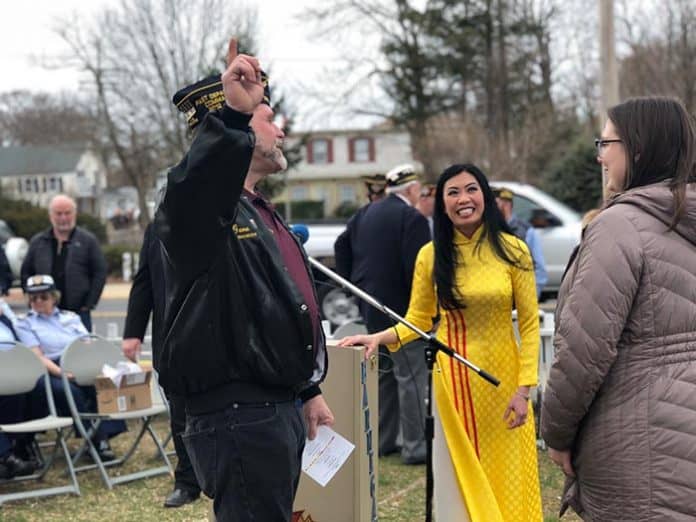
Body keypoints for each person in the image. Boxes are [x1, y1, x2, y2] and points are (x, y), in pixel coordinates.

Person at [153, 38, 333, 521]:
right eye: (267, 118)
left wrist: (307, 390)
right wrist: (232, 118)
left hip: (274, 408)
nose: (280, 131)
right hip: (240, 416)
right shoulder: (204, 213)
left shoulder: (256, 211)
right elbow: (192, 187)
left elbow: (269, 309)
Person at [339, 163, 543, 521]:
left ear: (485, 197)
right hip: (452, 386)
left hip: (505, 385)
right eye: (453, 192)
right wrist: (377, 337)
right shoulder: (430, 256)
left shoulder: (514, 251)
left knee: (506, 476)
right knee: (456, 487)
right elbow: (418, 321)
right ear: (441, 204)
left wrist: (524, 390)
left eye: (471, 189)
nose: (463, 199)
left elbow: (528, 326)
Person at [541, 96, 696, 520]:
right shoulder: (682, 223)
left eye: (605, 143)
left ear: (638, 149)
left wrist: (556, 434)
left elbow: (581, 351)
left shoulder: (619, 226)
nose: (599, 158)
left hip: (639, 445)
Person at [334, 163, 431, 464]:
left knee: (386, 378)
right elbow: (418, 268)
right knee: (411, 378)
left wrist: (353, 285)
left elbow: (341, 246)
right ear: (412, 189)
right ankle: (415, 448)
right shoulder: (411, 217)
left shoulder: (365, 213)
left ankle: (383, 440)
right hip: (402, 310)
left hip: (371, 304)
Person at [121, 223, 201, 508]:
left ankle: (220, 473)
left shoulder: (219, 217)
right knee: (180, 415)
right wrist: (133, 332)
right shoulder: (157, 228)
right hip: (172, 341)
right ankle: (187, 483)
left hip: (214, 337)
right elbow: (145, 281)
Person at [15, 274, 126, 462]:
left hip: (80, 362)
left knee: (103, 385)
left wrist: (92, 367)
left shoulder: (70, 317)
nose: (38, 301)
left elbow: (88, 343)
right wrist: (62, 373)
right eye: (33, 298)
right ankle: (97, 439)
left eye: (44, 296)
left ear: (54, 297)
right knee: (70, 391)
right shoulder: (26, 323)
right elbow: (38, 357)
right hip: (49, 369)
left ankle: (103, 435)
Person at [20, 195, 107, 331]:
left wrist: (89, 303)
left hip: (78, 312)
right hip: (44, 314)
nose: (63, 218)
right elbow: (25, 272)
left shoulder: (88, 241)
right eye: (58, 213)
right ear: (50, 216)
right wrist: (33, 300)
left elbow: (99, 272)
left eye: (67, 213)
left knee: (80, 351)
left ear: (75, 214)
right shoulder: (38, 242)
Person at [0, 298, 41, 479]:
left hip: (9, 375)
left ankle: (19, 446)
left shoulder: (5, 322)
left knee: (28, 390)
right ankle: (7, 456)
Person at [494, 187, 548, 298]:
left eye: (496, 203)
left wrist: (531, 296)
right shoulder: (489, 230)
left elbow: (539, 269)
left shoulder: (526, 231)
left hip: (520, 296)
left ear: (506, 204)